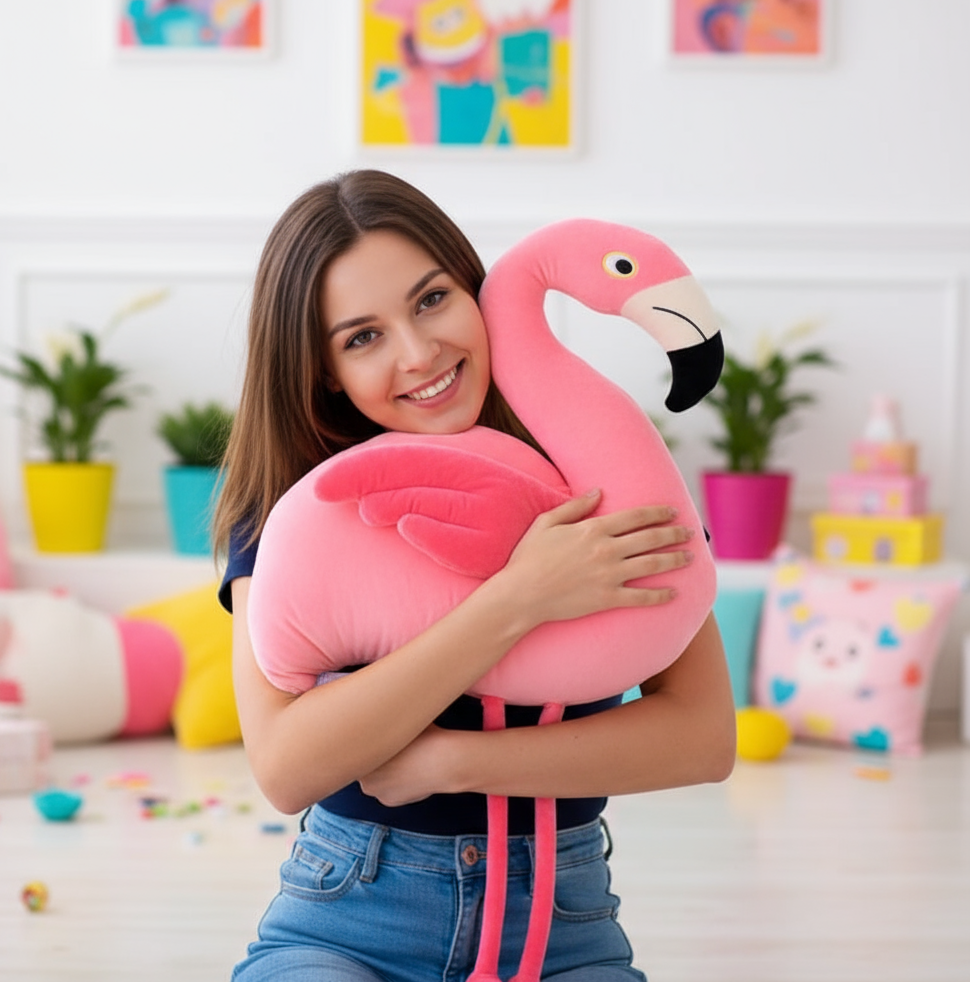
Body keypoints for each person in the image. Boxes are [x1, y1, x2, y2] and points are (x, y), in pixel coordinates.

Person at [214, 169, 736, 982]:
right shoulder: (299, 515)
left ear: (476, 289)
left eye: (431, 300)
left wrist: (450, 763)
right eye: (362, 338)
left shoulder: (606, 471)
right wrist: (520, 599)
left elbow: (702, 739)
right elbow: (286, 768)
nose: (419, 353)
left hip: (561, 929)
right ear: (325, 372)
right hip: (347, 919)